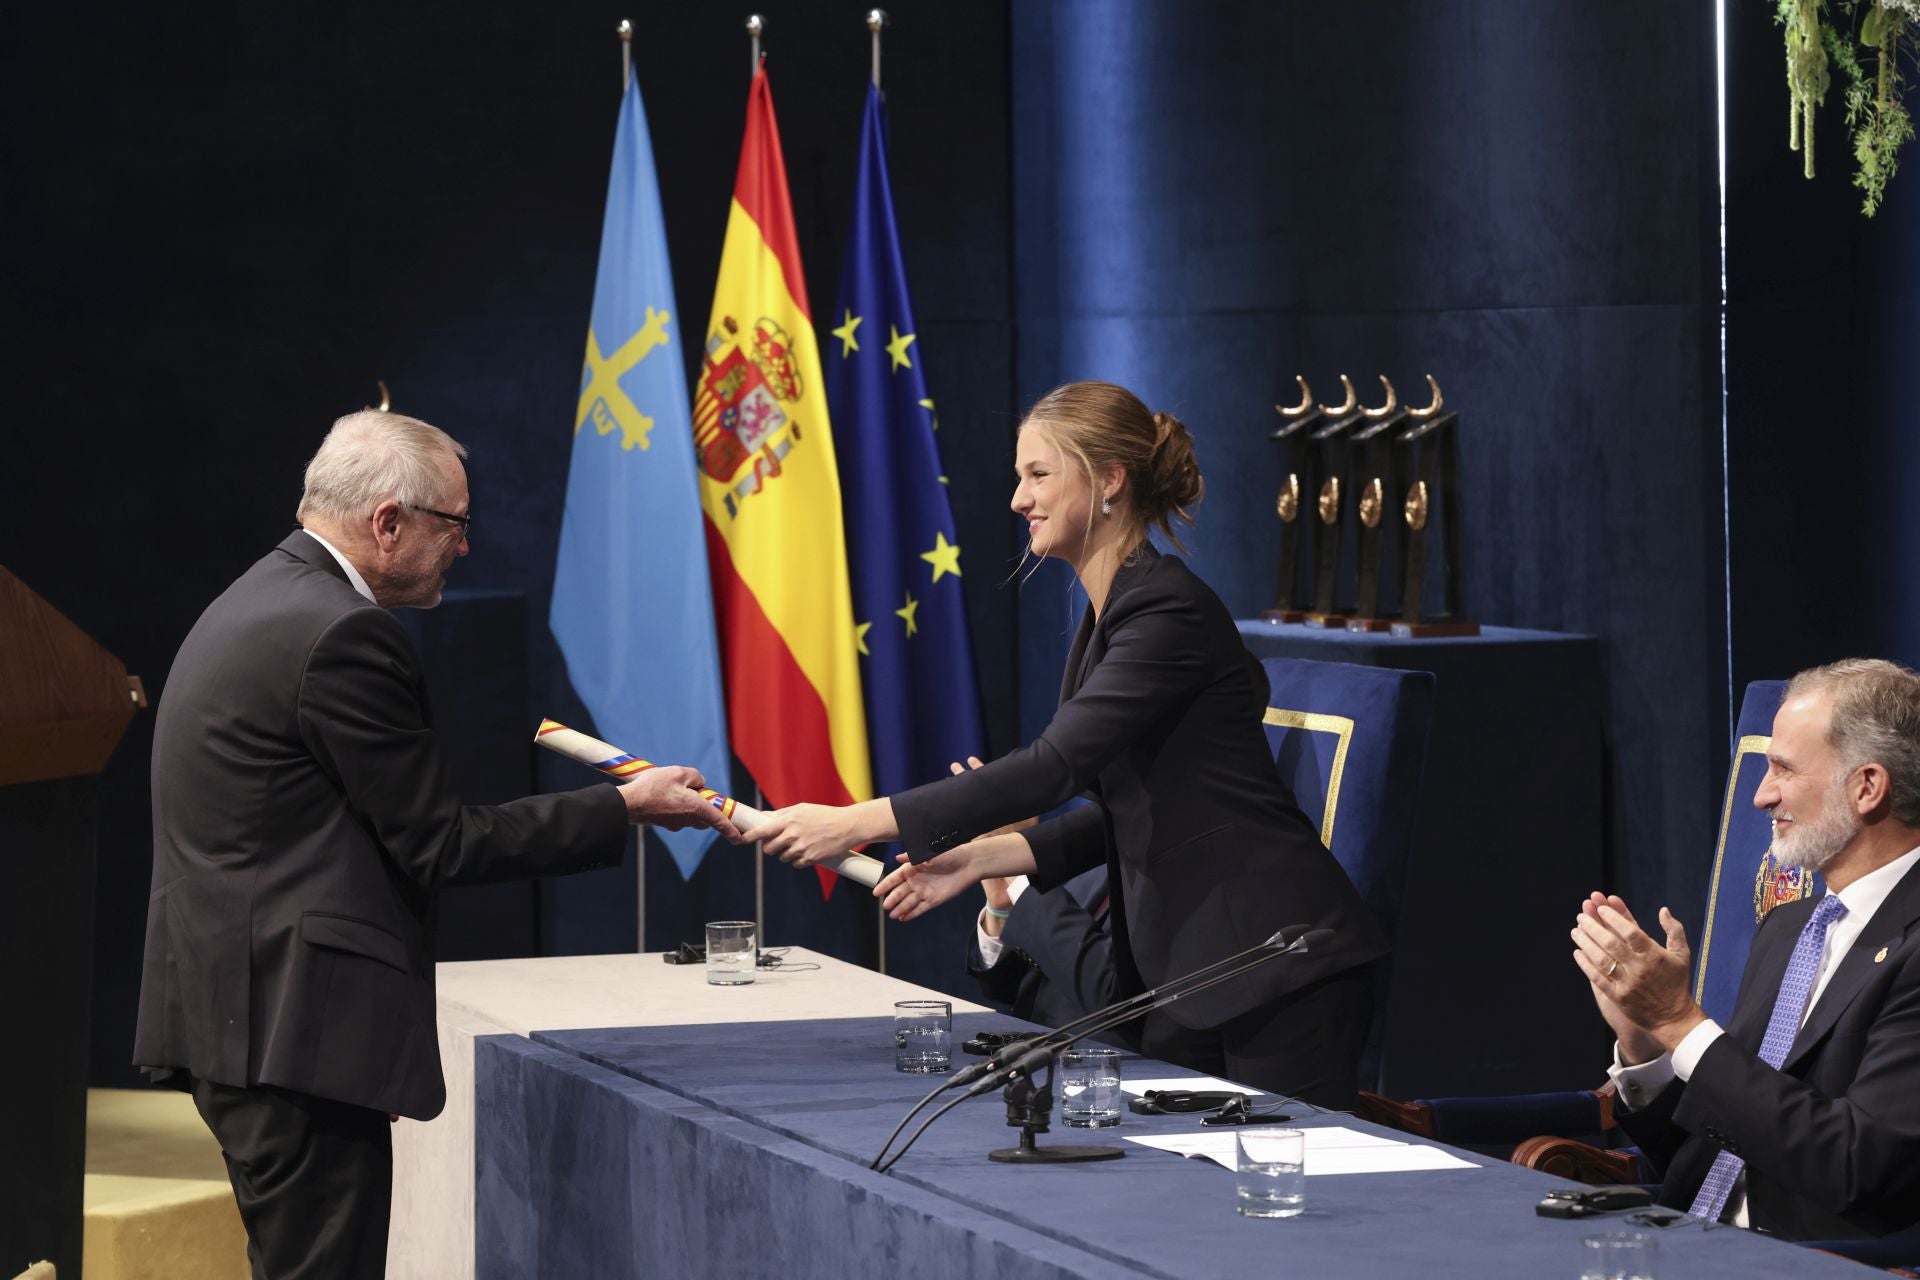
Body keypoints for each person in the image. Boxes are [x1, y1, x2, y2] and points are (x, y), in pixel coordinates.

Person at [132, 410, 741, 1278]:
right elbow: (443, 843)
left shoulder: (258, 596)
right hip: (293, 1037)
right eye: (454, 524)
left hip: (238, 1017)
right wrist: (627, 808)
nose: (464, 547)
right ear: (389, 522)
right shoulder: (343, 632)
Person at [752, 380, 1387, 1107]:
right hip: (1195, 974)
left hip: (1279, 965)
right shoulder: (1114, 615)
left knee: (1284, 1210)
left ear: (1110, 479)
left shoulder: (1166, 609)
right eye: (1019, 478)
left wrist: (852, 821)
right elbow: (1128, 806)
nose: (1019, 500)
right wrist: (977, 858)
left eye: (1038, 474)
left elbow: (1054, 766)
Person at [1573, 659, 1920, 1241]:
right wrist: (1646, 1045)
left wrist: (1680, 1021)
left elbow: (1855, 1166)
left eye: (1783, 769)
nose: (1760, 797)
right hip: (1688, 1243)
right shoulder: (1791, 926)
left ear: (1867, 787)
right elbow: (1718, 1146)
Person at [969, 863, 1115, 1029]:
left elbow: (1114, 996)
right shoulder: (1088, 861)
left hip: (1100, 1050)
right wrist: (1000, 912)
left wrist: (1022, 883)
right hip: (1027, 1043)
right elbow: (1005, 989)